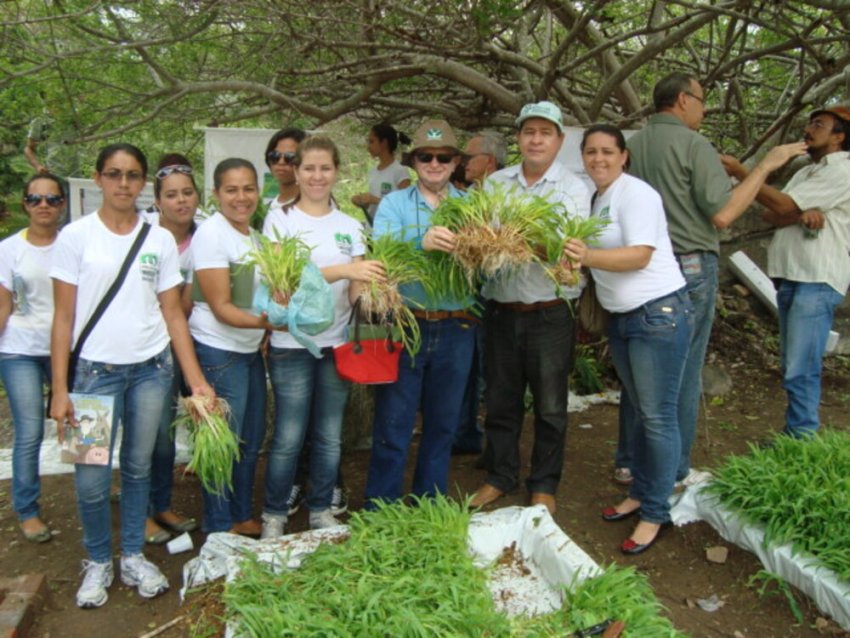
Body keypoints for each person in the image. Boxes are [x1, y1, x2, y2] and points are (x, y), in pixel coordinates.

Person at [49, 143, 214, 609]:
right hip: (93, 376)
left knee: (140, 467)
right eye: (114, 174)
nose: (124, 183)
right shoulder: (75, 237)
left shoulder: (158, 239)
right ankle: (98, 560)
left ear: (144, 183)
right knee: (91, 477)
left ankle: (132, 555)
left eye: (133, 175)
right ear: (99, 178)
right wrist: (60, 390)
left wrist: (195, 381)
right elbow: (63, 318)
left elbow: (174, 316)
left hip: (151, 371)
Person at [623, 72, 807, 485]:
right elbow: (722, 213)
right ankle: (673, 471)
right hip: (687, 267)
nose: (705, 109)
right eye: (703, 101)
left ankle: (632, 463)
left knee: (641, 370)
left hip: (640, 268)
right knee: (684, 372)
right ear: (683, 100)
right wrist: (763, 167)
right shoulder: (694, 144)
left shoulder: (630, 147)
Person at [563, 124, 692, 554]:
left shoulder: (636, 194)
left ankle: (656, 511)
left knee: (657, 415)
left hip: (657, 314)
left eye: (607, 151)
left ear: (624, 156)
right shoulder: (601, 198)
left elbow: (640, 254)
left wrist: (588, 257)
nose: (598, 159)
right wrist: (579, 267)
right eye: (590, 152)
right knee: (637, 410)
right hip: (623, 316)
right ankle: (640, 491)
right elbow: (598, 258)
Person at [469, 102, 590, 516]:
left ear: (559, 140)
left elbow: (559, 247)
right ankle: (501, 476)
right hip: (502, 310)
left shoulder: (573, 187)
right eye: (529, 132)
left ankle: (543, 483)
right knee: (501, 401)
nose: (536, 139)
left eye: (545, 132)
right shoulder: (496, 183)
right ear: (518, 139)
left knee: (550, 406)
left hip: (550, 313)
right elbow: (479, 236)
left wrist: (510, 238)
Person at [260, 136, 385, 537]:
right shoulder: (279, 219)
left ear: (337, 172)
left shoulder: (351, 227)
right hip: (290, 344)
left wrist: (375, 292)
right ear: (296, 171)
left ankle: (320, 510)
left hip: (336, 344)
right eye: (309, 168)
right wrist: (345, 272)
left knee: (330, 435)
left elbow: (355, 289)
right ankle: (274, 514)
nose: (317, 176)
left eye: (325, 168)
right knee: (288, 436)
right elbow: (288, 282)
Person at [364, 118, 478, 505]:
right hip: (405, 325)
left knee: (443, 426)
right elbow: (382, 254)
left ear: (455, 161)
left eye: (443, 156)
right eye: (426, 156)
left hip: (457, 327)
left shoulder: (472, 207)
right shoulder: (393, 205)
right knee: (393, 425)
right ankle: (383, 510)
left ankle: (429, 505)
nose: (434, 163)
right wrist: (421, 243)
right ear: (414, 161)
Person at [722, 105, 850, 438]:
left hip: (816, 278)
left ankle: (802, 440)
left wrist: (743, 172)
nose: (809, 128)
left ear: (839, 137)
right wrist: (799, 213)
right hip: (795, 276)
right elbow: (772, 216)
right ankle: (795, 435)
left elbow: (781, 205)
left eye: (819, 125)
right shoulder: (807, 171)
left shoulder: (843, 171)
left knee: (801, 366)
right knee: (792, 363)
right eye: (810, 122)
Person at [189, 158, 272, 536]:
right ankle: (220, 525)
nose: (242, 197)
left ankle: (240, 515)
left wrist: (265, 330)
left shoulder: (255, 238)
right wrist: (272, 324)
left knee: (249, 440)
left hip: (250, 350)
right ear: (216, 194)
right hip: (219, 351)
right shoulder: (212, 234)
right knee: (222, 445)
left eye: (248, 188)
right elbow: (222, 308)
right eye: (232, 189)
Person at [0, 173, 65, 543]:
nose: (44, 205)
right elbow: (3, 305)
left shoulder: (73, 244)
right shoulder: (8, 249)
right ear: (25, 203)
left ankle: (91, 487)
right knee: (30, 430)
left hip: (69, 349)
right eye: (36, 199)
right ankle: (27, 508)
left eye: (52, 199)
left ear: (62, 205)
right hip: (20, 349)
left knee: (84, 425)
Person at [141, 154, 201, 545]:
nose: (181, 201)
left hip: (195, 341)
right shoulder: (142, 234)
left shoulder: (209, 233)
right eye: (171, 195)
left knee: (172, 430)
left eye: (187, 193)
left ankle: (161, 504)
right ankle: (142, 511)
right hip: (149, 347)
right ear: (158, 200)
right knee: (149, 433)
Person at [452, 131, 507, 457]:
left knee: (491, 368)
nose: (462, 163)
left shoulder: (505, 193)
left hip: (498, 295)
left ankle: (490, 442)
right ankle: (466, 433)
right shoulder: (469, 195)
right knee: (471, 366)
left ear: (487, 161)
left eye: (468, 156)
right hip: (471, 294)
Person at [351, 123, 411, 223]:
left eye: (372, 142)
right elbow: (373, 204)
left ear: (384, 143)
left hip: (391, 230)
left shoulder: (400, 171)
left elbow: (405, 205)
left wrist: (374, 200)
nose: (368, 147)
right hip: (373, 227)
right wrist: (362, 201)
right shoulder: (373, 171)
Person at [264, 127, 307, 215]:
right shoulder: (264, 211)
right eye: (275, 156)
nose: (281, 162)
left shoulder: (315, 209)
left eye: (290, 157)